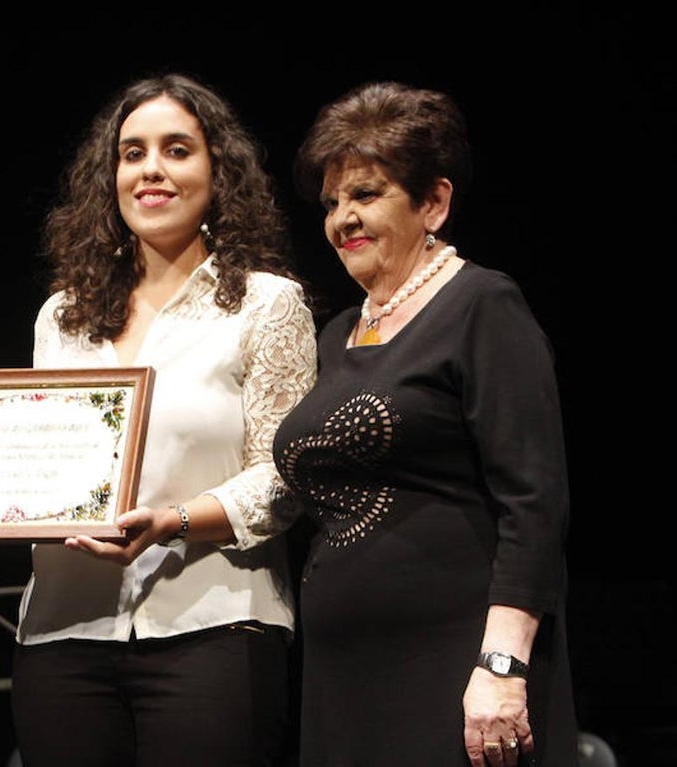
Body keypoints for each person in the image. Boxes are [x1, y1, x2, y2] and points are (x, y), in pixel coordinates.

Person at [0, 73, 317, 766]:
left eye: (176, 149)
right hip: (64, 632)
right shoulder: (62, 316)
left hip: (213, 627)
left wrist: (172, 521)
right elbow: (40, 463)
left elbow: (284, 476)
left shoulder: (266, 305)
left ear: (219, 172)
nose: (151, 169)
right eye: (132, 153)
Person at [272, 80, 577, 767]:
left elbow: (534, 502)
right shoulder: (337, 335)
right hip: (343, 674)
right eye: (330, 203)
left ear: (433, 202)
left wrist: (502, 664)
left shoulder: (481, 306)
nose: (342, 219)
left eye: (365, 194)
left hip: (455, 664)